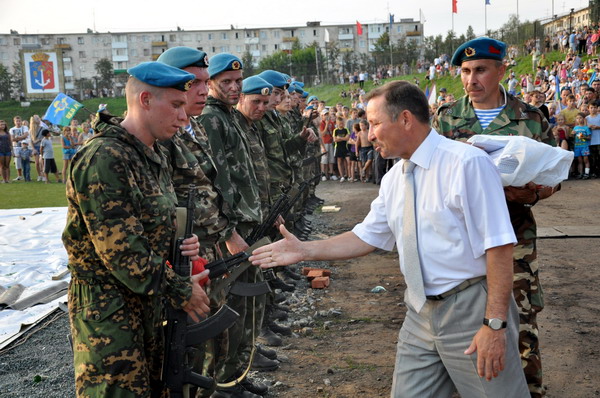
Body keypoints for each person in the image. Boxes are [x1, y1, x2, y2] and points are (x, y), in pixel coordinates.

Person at [250, 80, 529, 398]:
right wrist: (303, 250)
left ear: (406, 119)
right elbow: (366, 236)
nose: (368, 134)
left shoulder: (466, 165)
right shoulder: (396, 177)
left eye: (374, 123)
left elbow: (499, 247)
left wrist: (493, 325)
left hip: (470, 310)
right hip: (419, 312)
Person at [61, 61, 211, 397]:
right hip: (109, 311)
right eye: (175, 106)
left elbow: (152, 224)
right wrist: (182, 290)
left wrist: (183, 242)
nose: (184, 117)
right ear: (144, 100)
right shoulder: (104, 158)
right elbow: (123, 252)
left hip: (147, 300)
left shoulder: (149, 154)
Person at [433, 37, 556, 398]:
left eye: (481, 70)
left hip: (514, 237)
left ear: (501, 71)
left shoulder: (530, 118)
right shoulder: (445, 118)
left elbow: (552, 176)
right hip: (461, 241)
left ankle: (529, 391)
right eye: (466, 71)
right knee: (461, 323)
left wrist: (532, 192)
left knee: (519, 323)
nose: (472, 79)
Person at [573, 112, 592, 179]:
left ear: (584, 119)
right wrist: (572, 134)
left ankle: (586, 173)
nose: (579, 119)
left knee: (586, 160)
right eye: (577, 118)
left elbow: (589, 138)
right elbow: (572, 136)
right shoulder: (575, 128)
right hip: (577, 146)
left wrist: (583, 137)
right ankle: (580, 173)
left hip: (584, 146)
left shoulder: (586, 128)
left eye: (580, 118)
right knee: (579, 161)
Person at [9, 116, 29, 181]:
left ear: (21, 121)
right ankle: (19, 176)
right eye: (17, 121)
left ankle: (26, 175)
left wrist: (17, 138)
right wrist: (21, 137)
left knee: (25, 161)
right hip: (16, 147)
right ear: (14, 122)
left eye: (19, 121)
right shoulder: (12, 129)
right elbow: (12, 139)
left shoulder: (25, 127)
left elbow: (26, 135)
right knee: (17, 162)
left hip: (24, 147)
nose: (18, 122)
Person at [332, 117, 349, 182]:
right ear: (337, 123)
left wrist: (340, 138)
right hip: (338, 147)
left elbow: (347, 138)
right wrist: (343, 138)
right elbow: (335, 140)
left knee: (346, 161)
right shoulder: (335, 130)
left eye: (342, 123)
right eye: (339, 123)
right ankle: (341, 176)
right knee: (339, 161)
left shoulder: (346, 129)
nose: (341, 124)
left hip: (345, 147)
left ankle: (347, 174)